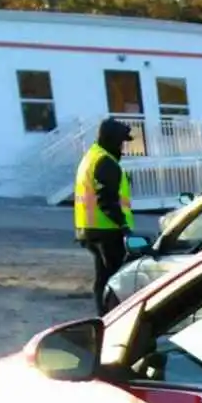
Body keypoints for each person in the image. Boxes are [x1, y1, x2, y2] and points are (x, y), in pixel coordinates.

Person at [74, 118, 133, 313]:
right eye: (121, 142)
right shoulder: (105, 161)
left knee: (103, 278)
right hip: (106, 230)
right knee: (115, 279)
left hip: (90, 229)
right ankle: (112, 317)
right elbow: (106, 199)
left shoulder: (92, 156)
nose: (122, 147)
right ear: (112, 140)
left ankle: (104, 317)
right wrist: (124, 227)